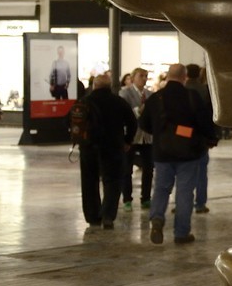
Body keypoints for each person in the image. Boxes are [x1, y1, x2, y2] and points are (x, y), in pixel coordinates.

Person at [139, 63, 217, 244]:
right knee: (184, 192)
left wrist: (160, 133)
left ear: (167, 76)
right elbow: (204, 122)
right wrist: (210, 139)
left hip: (162, 152)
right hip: (188, 153)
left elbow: (143, 124)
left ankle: (157, 218)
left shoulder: (156, 98)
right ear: (184, 77)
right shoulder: (192, 97)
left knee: (161, 188)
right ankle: (181, 233)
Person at [78, 71, 137, 232]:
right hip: (112, 147)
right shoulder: (118, 102)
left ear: (94, 86)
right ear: (110, 86)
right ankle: (108, 216)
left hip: (88, 148)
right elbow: (132, 123)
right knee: (112, 182)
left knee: (89, 182)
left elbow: (68, 122)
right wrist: (127, 140)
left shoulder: (84, 102)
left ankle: (92, 217)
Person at [119, 68, 152, 211]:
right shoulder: (125, 93)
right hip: (132, 135)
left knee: (149, 168)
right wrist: (140, 109)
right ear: (133, 78)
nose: (144, 79)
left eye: (146, 76)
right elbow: (126, 112)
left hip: (147, 136)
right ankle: (127, 198)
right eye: (141, 76)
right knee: (127, 168)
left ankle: (146, 198)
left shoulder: (150, 94)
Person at [185, 64, 215, 213]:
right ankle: (200, 203)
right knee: (201, 172)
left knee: (184, 173)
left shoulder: (182, 90)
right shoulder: (205, 90)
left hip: (183, 136)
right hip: (201, 137)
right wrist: (212, 138)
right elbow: (211, 115)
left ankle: (183, 203)